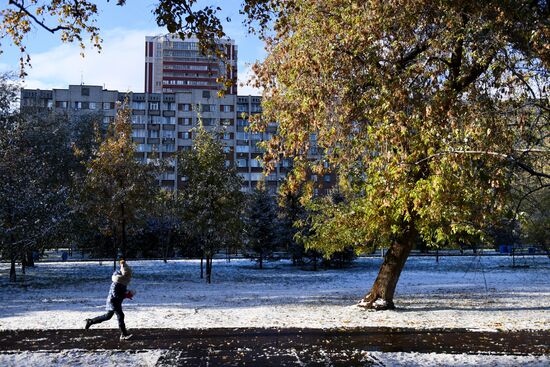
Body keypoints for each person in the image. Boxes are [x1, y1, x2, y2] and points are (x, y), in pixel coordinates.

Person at [85, 258, 134, 340]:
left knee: (107, 316)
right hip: (113, 302)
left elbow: (121, 291)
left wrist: (128, 293)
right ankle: (124, 334)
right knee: (120, 315)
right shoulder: (117, 283)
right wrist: (126, 295)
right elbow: (116, 294)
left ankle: (91, 321)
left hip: (116, 301)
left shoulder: (122, 281)